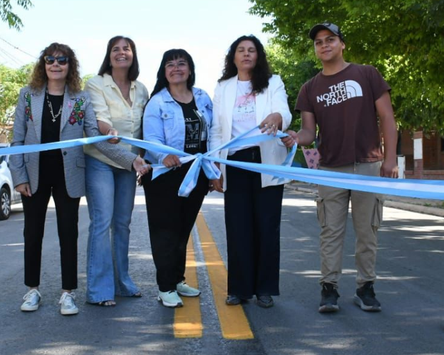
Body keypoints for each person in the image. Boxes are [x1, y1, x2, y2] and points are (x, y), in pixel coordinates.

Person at [9, 43, 149, 315]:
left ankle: (67, 293)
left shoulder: (80, 98)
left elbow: (96, 141)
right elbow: (17, 140)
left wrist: (130, 159)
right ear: (43, 64)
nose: (56, 64)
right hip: (34, 174)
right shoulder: (28, 96)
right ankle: (32, 290)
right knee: (32, 233)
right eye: (50, 59)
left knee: (68, 233)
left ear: (70, 66)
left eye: (62, 60)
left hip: (68, 175)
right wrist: (18, 177)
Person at [283, 22, 398, 313]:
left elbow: (387, 117)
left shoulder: (367, 74)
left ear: (342, 44)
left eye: (330, 39)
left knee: (367, 231)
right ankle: (329, 289)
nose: (324, 45)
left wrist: (390, 159)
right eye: (319, 42)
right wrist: (298, 138)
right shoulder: (310, 88)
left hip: (368, 165)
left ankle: (365, 288)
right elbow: (309, 132)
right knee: (330, 231)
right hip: (330, 168)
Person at [209, 35, 292, 309]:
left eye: (252, 50)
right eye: (241, 50)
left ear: (259, 56)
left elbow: (283, 110)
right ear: (233, 57)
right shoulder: (223, 87)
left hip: (266, 160)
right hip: (235, 162)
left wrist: (278, 118)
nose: (246, 54)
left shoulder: (273, 82)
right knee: (238, 226)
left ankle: (265, 288)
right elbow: (217, 130)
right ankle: (239, 289)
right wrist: (215, 166)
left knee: (267, 226)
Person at [142, 49, 213, 308]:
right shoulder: (157, 102)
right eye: (170, 65)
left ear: (190, 69)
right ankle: (165, 286)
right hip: (165, 176)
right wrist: (163, 156)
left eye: (181, 64)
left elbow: (212, 133)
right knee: (165, 232)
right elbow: (150, 138)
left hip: (196, 173)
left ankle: (177, 278)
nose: (176, 68)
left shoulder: (203, 97)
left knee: (183, 230)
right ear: (164, 71)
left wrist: (214, 169)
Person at [82, 36, 150, 306]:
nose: (122, 53)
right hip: (100, 158)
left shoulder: (141, 88)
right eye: (116, 49)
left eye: (127, 49)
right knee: (102, 222)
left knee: (123, 224)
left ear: (133, 54)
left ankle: (123, 281)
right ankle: (99, 290)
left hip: (129, 163)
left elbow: (143, 128)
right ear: (108, 56)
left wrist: (143, 158)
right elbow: (100, 118)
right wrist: (107, 130)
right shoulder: (96, 84)